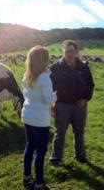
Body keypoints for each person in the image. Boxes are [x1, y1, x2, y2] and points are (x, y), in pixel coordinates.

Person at [49, 40, 94, 165]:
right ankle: (56, 158)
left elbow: (90, 86)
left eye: (71, 51)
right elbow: (50, 88)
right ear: (63, 52)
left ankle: (80, 156)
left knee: (79, 132)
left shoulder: (84, 67)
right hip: (61, 105)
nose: (68, 54)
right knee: (60, 133)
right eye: (66, 51)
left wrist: (85, 99)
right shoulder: (55, 68)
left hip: (79, 106)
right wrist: (52, 104)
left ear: (76, 52)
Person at [21, 45, 57, 190]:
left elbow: (27, 96)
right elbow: (48, 99)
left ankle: (26, 176)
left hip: (28, 115)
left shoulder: (26, 75)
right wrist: (57, 94)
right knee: (41, 152)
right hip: (40, 120)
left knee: (29, 146)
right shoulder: (44, 77)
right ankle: (39, 183)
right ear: (43, 60)